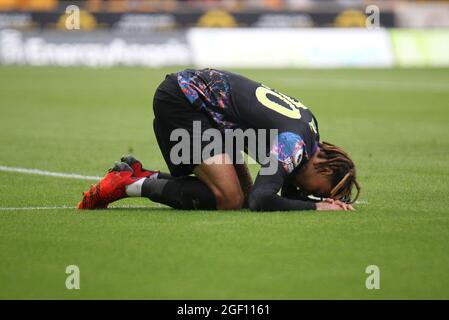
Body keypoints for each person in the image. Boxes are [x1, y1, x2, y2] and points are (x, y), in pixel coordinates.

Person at [78, 69, 360, 211]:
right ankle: (129, 185)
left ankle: (140, 174)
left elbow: (279, 193)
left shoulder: (308, 134)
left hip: (211, 113)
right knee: (230, 198)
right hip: (185, 100)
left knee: (241, 196)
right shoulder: (293, 145)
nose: (319, 196)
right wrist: (316, 207)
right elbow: (262, 200)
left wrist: (306, 202)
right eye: (323, 191)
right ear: (323, 168)